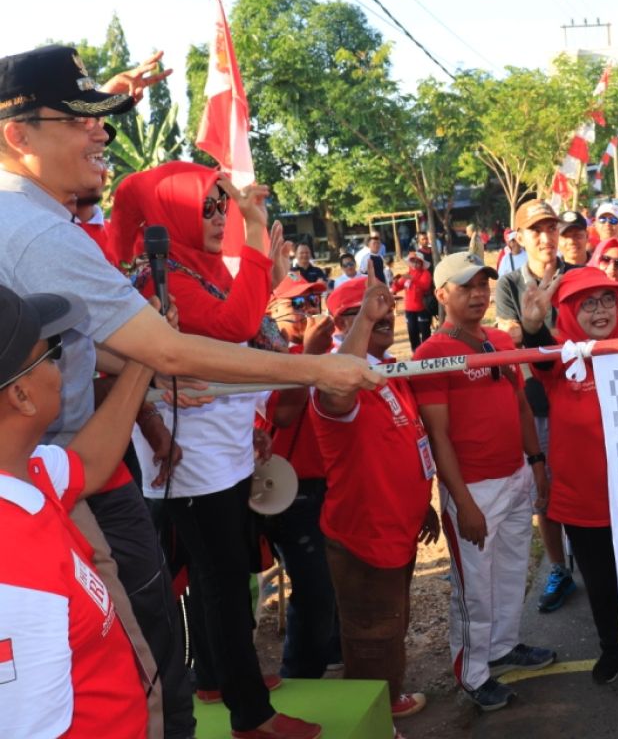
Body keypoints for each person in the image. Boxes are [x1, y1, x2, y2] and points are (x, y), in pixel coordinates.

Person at [0, 45, 378, 739]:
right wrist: (320, 369)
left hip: (85, 470)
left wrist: (155, 362)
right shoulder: (28, 230)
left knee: (160, 638)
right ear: (17, 136)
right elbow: (172, 345)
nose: (103, 133)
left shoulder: (43, 222)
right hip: (64, 483)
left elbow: (130, 349)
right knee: (142, 663)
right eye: (81, 119)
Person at [111, 162, 321, 739]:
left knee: (221, 576)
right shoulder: (159, 279)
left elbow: (255, 335)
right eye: (203, 206)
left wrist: (261, 269)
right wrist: (254, 240)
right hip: (191, 456)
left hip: (220, 447)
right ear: (168, 212)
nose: (217, 216)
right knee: (223, 580)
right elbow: (234, 328)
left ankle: (219, 677)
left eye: (219, 206)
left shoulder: (194, 268)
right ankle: (251, 716)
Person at [0, 286, 151, 738]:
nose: (60, 367)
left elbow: (88, 463)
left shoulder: (30, 472)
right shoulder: (13, 573)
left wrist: (147, 356)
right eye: (52, 354)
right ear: (22, 396)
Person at [412, 253, 556, 711]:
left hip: (514, 475)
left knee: (512, 570)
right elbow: (438, 435)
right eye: (465, 286)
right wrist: (462, 502)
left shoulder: (497, 339)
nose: (477, 294)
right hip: (474, 489)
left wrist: (535, 462)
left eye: (482, 285)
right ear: (442, 295)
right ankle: (472, 675)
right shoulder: (429, 354)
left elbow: (519, 405)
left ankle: (504, 646)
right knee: (474, 587)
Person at [313, 275, 440, 722]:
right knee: (371, 636)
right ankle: (374, 722)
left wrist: (419, 502)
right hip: (364, 538)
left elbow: (405, 443)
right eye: (366, 310)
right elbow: (334, 393)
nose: (384, 315)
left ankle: (388, 701)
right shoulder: (336, 372)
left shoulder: (387, 369)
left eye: (386, 308)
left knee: (389, 628)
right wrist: (363, 321)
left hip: (396, 531)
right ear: (340, 325)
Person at [519, 267, 618, 684]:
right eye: (587, 303)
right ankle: (613, 649)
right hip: (584, 500)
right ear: (570, 311)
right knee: (601, 583)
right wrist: (535, 326)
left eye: (607, 300)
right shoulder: (558, 358)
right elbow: (538, 355)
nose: (600, 310)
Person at [494, 202, 578, 613]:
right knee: (545, 491)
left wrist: (539, 331)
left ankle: (598, 558)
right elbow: (510, 338)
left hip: (582, 393)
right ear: (520, 237)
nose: (546, 237)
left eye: (551, 228)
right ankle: (559, 568)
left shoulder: (578, 275)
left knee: (589, 479)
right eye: (536, 231)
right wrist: (529, 326)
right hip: (538, 400)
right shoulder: (509, 283)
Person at [259, 273, 342, 680]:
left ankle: (332, 655)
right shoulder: (272, 357)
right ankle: (299, 674)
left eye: (313, 303)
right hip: (289, 491)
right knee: (313, 589)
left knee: (332, 581)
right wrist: (309, 354)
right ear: (271, 313)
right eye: (297, 305)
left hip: (326, 483)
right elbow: (285, 416)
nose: (308, 312)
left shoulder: (317, 353)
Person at [398, 252, 433, 352]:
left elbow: (425, 285)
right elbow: (398, 285)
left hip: (422, 308)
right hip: (409, 309)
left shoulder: (425, 273)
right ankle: (416, 353)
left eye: (417, 262)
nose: (415, 264)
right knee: (412, 332)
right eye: (413, 261)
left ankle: (427, 352)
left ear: (421, 263)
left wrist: (413, 279)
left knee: (425, 331)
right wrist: (396, 282)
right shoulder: (408, 274)